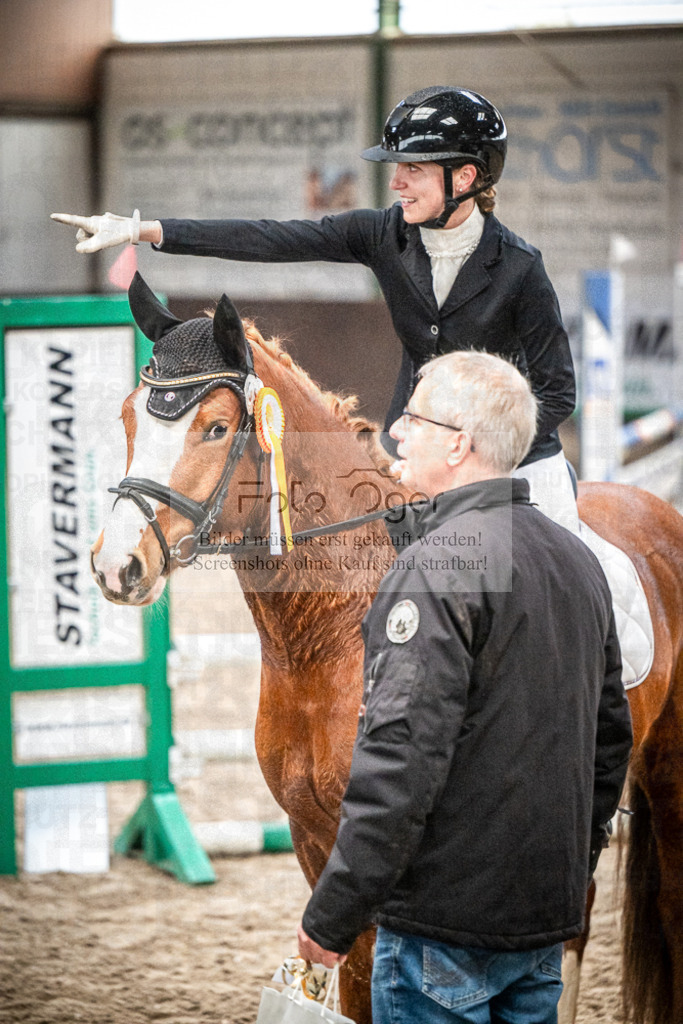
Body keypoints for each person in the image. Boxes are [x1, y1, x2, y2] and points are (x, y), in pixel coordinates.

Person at [51, 85, 579, 533]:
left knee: (566, 592)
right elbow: (271, 238)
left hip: (518, 467)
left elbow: (558, 392)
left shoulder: (520, 269)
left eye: (412, 170)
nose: (396, 183)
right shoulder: (383, 235)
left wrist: (481, 452)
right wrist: (145, 231)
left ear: (464, 178)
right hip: (415, 457)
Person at [295, 351, 632, 1024]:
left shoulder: (436, 566)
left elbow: (401, 757)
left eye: (412, 418)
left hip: (439, 930)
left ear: (458, 443)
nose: (395, 431)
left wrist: (333, 915)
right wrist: (571, 866)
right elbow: (608, 741)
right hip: (540, 923)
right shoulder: (577, 560)